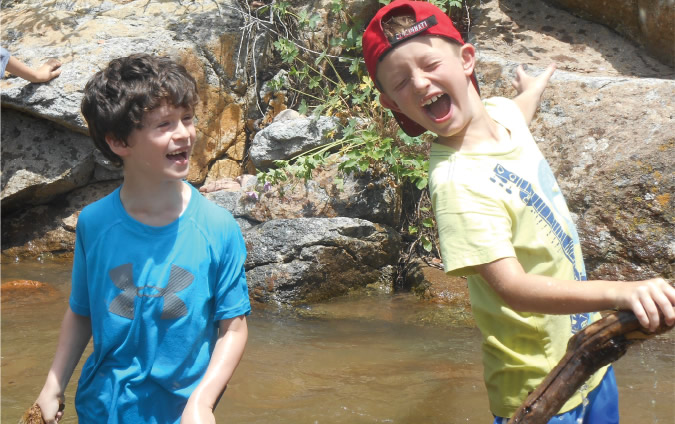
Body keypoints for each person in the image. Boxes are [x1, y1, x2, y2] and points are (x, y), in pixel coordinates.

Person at [362, 1, 675, 423]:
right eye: (401, 82)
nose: (419, 83)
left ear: (467, 59)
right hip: (539, 389)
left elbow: (518, 111)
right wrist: (621, 291)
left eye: (430, 63)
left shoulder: (503, 116)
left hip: (589, 358)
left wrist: (533, 88)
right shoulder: (457, 182)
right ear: (393, 104)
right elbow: (513, 288)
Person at [35, 53, 251, 424]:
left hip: (182, 412)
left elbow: (233, 326)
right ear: (120, 142)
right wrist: (54, 383)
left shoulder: (218, 228)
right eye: (164, 124)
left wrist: (202, 401)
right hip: (101, 407)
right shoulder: (94, 223)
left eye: (187, 118)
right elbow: (82, 311)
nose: (184, 133)